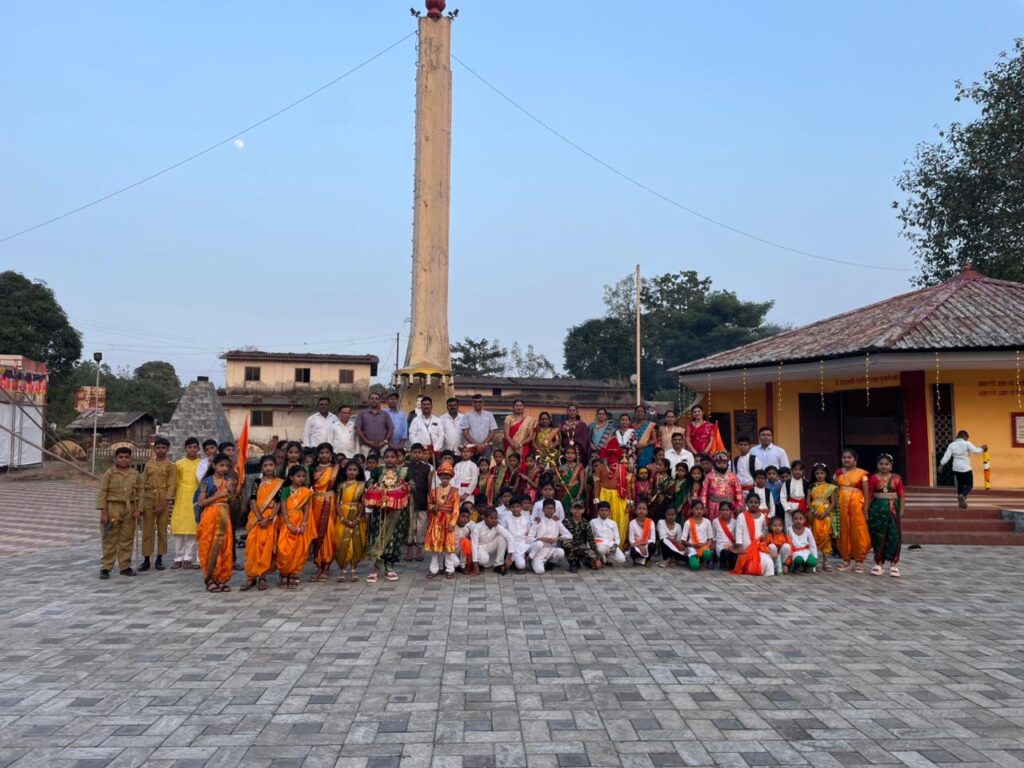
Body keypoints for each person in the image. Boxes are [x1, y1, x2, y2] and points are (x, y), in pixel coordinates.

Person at [97, 446, 143, 579]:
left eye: (127, 457)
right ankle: (106, 567)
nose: (124, 460)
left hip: (129, 509)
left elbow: (141, 493)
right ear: (116, 458)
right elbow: (102, 493)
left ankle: (125, 566)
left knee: (127, 538)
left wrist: (139, 510)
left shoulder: (135, 474)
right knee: (109, 539)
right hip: (113, 507)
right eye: (121, 457)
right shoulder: (109, 473)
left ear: (130, 459)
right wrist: (103, 512)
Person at [365, 449, 411, 582]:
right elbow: (369, 483)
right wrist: (376, 488)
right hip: (380, 510)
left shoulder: (404, 471)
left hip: (397, 511)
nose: (390, 459)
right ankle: (376, 568)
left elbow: (412, 485)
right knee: (378, 536)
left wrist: (403, 488)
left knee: (393, 538)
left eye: (393, 457)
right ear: (383, 458)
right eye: (387, 457)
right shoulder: (378, 470)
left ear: (398, 458)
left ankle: (389, 568)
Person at [240, 455, 283, 592]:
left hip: (270, 519)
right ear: (261, 468)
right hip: (256, 518)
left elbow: (279, 502)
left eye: (271, 465)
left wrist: (269, 518)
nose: (268, 468)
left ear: (275, 466)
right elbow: (252, 500)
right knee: (251, 548)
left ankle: (263, 577)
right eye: (265, 465)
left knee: (266, 548)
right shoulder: (256, 482)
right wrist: (259, 518)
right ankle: (251, 577)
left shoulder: (279, 483)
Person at [196, 453, 236, 592]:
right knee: (209, 545)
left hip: (224, 517)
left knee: (224, 546)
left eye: (227, 466)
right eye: (221, 465)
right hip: (210, 516)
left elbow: (232, 500)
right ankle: (210, 579)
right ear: (214, 465)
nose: (224, 468)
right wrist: (218, 495)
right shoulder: (206, 481)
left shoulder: (229, 481)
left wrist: (231, 490)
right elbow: (201, 502)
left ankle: (221, 578)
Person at [139, 436, 176, 572]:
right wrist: (141, 502)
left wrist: (163, 504)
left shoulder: (171, 466)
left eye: (163, 448)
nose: (160, 450)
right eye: (158, 448)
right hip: (149, 498)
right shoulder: (149, 464)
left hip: (163, 499)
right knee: (147, 530)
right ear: (154, 449)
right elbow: (143, 482)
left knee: (162, 530)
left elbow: (172, 486)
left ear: (167, 449)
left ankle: (159, 558)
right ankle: (146, 559)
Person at [868, 453, 904, 578]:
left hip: (893, 510)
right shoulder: (873, 478)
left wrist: (902, 510)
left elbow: (901, 495)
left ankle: (893, 565)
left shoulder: (897, 478)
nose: (884, 466)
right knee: (877, 536)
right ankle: (879, 563)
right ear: (877, 465)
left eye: (886, 464)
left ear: (891, 465)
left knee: (894, 536)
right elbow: (870, 495)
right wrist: (866, 511)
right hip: (877, 510)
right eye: (881, 464)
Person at [835, 449, 871, 573]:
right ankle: (846, 559)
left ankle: (859, 561)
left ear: (855, 460)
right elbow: (834, 490)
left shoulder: (862, 474)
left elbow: (866, 493)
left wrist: (866, 509)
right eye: (844, 457)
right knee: (844, 531)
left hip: (857, 507)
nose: (846, 459)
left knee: (858, 531)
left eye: (849, 457)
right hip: (841, 506)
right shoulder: (838, 473)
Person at [277, 465, 311, 590]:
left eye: (303, 476)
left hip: (299, 520)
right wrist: (288, 523)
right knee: (284, 548)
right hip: (287, 521)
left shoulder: (306, 491)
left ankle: (292, 573)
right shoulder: (285, 490)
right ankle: (284, 573)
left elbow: (306, 509)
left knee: (298, 549)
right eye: (298, 476)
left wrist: (304, 524)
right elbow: (283, 507)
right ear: (291, 477)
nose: (301, 479)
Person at [333, 460, 368, 583]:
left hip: (357, 516)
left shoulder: (362, 485)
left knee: (357, 541)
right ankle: (343, 569)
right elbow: (337, 503)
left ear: (358, 472)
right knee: (341, 541)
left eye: (354, 470)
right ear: (345, 471)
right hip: (343, 515)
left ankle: (354, 569)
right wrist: (342, 518)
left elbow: (363, 503)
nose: (352, 472)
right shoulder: (341, 485)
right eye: (349, 469)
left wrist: (358, 518)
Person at [309, 443, 340, 582]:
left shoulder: (335, 469)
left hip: (329, 502)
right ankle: (318, 565)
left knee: (327, 533)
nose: (324, 455)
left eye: (327, 452)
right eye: (321, 452)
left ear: (331, 454)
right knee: (315, 533)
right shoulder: (312, 468)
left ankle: (326, 566)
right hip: (314, 502)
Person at [425, 460, 460, 579]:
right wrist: (432, 507)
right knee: (435, 546)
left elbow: (456, 509)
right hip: (436, 521)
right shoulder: (434, 491)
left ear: (450, 478)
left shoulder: (454, 492)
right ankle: (434, 569)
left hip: (448, 520)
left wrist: (453, 523)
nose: (444, 479)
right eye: (443, 477)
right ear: (439, 477)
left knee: (448, 547)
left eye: (447, 477)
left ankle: (450, 569)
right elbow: (429, 504)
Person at [171, 437, 202, 570]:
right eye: (189, 447)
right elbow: (174, 482)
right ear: (185, 449)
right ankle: (178, 557)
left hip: (196, 498)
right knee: (178, 529)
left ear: (198, 449)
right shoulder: (178, 464)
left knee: (192, 530)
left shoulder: (202, 464)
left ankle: (188, 557)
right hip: (181, 497)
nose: (192, 450)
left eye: (195, 447)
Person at [939, 430, 987, 509]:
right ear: (964, 436)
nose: (967, 439)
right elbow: (976, 451)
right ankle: (963, 495)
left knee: (960, 484)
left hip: (956, 468)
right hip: (966, 468)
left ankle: (960, 501)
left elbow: (946, 456)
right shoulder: (967, 443)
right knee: (969, 484)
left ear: (957, 436)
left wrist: (941, 465)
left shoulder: (952, 445)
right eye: (967, 438)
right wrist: (982, 448)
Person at [731, 492, 774, 577]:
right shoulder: (741, 516)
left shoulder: (762, 516)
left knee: (769, 563)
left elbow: (764, 530)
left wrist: (764, 535)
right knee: (751, 568)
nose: (753, 504)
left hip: (758, 546)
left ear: (759, 504)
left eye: (756, 502)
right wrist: (740, 546)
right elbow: (738, 532)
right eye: (751, 502)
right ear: (746, 503)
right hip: (746, 548)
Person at [526, 498, 572, 574]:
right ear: (543, 510)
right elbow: (529, 539)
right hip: (539, 551)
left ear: (555, 510)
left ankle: (547, 562)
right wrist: (541, 539)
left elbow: (569, 535)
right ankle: (533, 561)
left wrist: (557, 538)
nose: (549, 510)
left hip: (551, 550)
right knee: (540, 571)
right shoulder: (538, 521)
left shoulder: (557, 521)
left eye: (551, 508)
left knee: (561, 552)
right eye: (547, 508)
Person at [403, 443, 432, 562]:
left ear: (423, 454)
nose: (417, 455)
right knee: (410, 527)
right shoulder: (405, 467)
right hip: (409, 501)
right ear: (411, 453)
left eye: (419, 452)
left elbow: (429, 486)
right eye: (415, 452)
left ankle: (419, 550)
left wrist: (430, 500)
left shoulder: (427, 468)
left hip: (422, 501)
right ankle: (409, 551)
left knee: (421, 527)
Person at [808, 463, 838, 571]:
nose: (819, 475)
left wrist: (826, 512)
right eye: (817, 473)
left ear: (826, 474)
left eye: (822, 473)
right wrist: (813, 511)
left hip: (826, 514)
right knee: (814, 536)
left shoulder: (831, 487)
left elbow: (833, 503)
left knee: (826, 537)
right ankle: (815, 561)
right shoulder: (812, 486)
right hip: (814, 514)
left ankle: (826, 561)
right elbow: (808, 501)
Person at [700, 450, 744, 522]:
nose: (722, 465)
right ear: (714, 464)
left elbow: (738, 492)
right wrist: (704, 506)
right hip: (714, 507)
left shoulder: (733, 476)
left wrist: (739, 506)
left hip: (729, 506)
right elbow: (704, 493)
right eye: (719, 463)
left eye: (724, 463)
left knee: (729, 526)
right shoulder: (709, 476)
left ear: (727, 464)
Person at [471, 508, 515, 575]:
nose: (494, 520)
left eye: (495, 518)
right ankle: (477, 563)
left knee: (501, 538)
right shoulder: (477, 528)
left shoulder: (497, 526)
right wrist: (475, 565)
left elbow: (510, 537)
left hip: (490, 546)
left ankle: (498, 565)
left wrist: (508, 557)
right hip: (480, 547)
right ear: (484, 518)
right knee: (484, 560)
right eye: (491, 518)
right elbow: (474, 546)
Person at [563, 501, 603, 573]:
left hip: (581, 547)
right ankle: (572, 564)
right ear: (571, 510)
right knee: (566, 543)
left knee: (597, 565)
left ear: (583, 510)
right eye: (575, 508)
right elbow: (562, 536)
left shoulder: (586, 523)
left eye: (580, 509)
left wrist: (597, 557)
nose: (577, 511)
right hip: (570, 546)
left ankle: (583, 561)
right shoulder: (566, 522)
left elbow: (591, 540)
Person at [356, 392, 393, 457]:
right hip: (366, 447)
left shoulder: (385, 414)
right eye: (372, 398)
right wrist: (367, 441)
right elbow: (358, 429)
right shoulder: (362, 414)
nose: (374, 400)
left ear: (380, 400)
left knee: (384, 463)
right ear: (368, 400)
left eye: (376, 399)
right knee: (366, 463)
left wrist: (384, 441)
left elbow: (391, 429)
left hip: (383, 447)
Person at [590, 501, 626, 566]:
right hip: (599, 543)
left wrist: (614, 546)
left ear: (609, 512)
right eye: (602, 510)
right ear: (598, 511)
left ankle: (605, 559)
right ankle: (602, 559)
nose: (604, 512)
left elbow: (617, 538)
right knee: (601, 550)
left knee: (622, 559)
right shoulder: (593, 522)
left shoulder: (613, 523)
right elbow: (590, 536)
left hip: (610, 544)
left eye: (606, 510)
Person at [682, 500, 714, 570]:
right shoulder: (688, 522)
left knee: (708, 554)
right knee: (695, 566)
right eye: (696, 509)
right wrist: (693, 545)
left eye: (701, 509)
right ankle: (695, 560)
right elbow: (683, 541)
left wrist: (706, 545)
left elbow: (710, 539)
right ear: (691, 510)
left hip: (703, 547)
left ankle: (703, 561)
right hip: (692, 548)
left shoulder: (707, 522)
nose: (699, 511)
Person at [504, 497, 533, 571]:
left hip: (524, 543)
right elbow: (505, 535)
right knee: (521, 566)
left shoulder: (526, 519)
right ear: (509, 508)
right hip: (514, 546)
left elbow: (529, 534)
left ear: (521, 507)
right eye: (513, 507)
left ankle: (527, 559)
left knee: (539, 544)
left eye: (517, 506)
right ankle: (519, 560)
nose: (515, 509)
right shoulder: (506, 519)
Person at [503, 399, 536, 465]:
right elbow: (506, 435)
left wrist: (520, 444)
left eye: (520, 405)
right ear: (513, 407)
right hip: (510, 446)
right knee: (510, 465)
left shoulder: (529, 419)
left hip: (524, 446)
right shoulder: (508, 418)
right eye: (516, 405)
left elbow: (530, 437)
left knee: (523, 465)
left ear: (523, 407)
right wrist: (513, 445)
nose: (518, 407)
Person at [779, 460, 809, 530]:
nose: (797, 472)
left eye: (800, 470)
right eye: (795, 469)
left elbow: (809, 497)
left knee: (802, 525)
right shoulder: (787, 483)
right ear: (791, 470)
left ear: (803, 471)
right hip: (790, 507)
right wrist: (788, 509)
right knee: (789, 526)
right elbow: (782, 497)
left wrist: (807, 509)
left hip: (803, 506)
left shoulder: (806, 483)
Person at [712, 501, 737, 571]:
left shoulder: (735, 522)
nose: (725, 512)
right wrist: (713, 548)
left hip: (731, 545)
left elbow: (736, 537)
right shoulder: (715, 522)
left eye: (727, 510)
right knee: (725, 552)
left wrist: (733, 546)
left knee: (734, 554)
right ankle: (723, 563)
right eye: (723, 510)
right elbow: (713, 536)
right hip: (720, 546)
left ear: (731, 511)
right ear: (719, 511)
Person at [628, 501, 655, 566]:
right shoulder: (632, 523)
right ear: (635, 511)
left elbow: (653, 539)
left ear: (647, 511)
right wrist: (639, 546)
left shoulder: (650, 522)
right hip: (637, 546)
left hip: (646, 545)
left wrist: (643, 544)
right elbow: (631, 539)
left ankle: (647, 559)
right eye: (639, 509)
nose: (641, 511)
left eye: (644, 509)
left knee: (652, 546)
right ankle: (638, 559)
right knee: (633, 551)